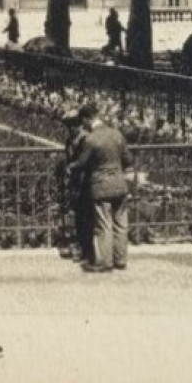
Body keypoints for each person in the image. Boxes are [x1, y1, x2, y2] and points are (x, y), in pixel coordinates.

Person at [73, 103, 131, 273]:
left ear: (86, 119)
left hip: (101, 186)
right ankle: (121, 260)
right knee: (121, 224)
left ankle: (105, 262)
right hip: (120, 184)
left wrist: (72, 166)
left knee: (104, 224)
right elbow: (128, 159)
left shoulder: (91, 139)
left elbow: (82, 163)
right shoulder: (116, 134)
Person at [61, 107, 94, 265]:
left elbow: (85, 161)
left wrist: (72, 167)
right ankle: (82, 248)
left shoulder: (85, 139)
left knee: (86, 217)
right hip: (75, 183)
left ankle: (87, 250)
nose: (71, 129)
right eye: (69, 126)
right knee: (79, 217)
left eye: (73, 125)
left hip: (85, 183)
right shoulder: (71, 140)